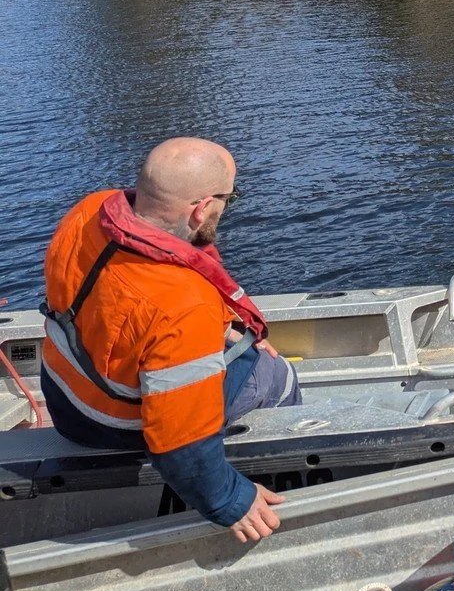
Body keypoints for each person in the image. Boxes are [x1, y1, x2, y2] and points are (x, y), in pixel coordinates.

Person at [40, 138, 302, 543]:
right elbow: (181, 446)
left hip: (62, 397)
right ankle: (291, 472)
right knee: (275, 375)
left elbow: (132, 306)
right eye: (228, 200)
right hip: (109, 425)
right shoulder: (183, 305)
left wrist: (220, 330)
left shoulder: (89, 211)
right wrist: (229, 500)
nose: (225, 210)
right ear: (200, 209)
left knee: (234, 345)